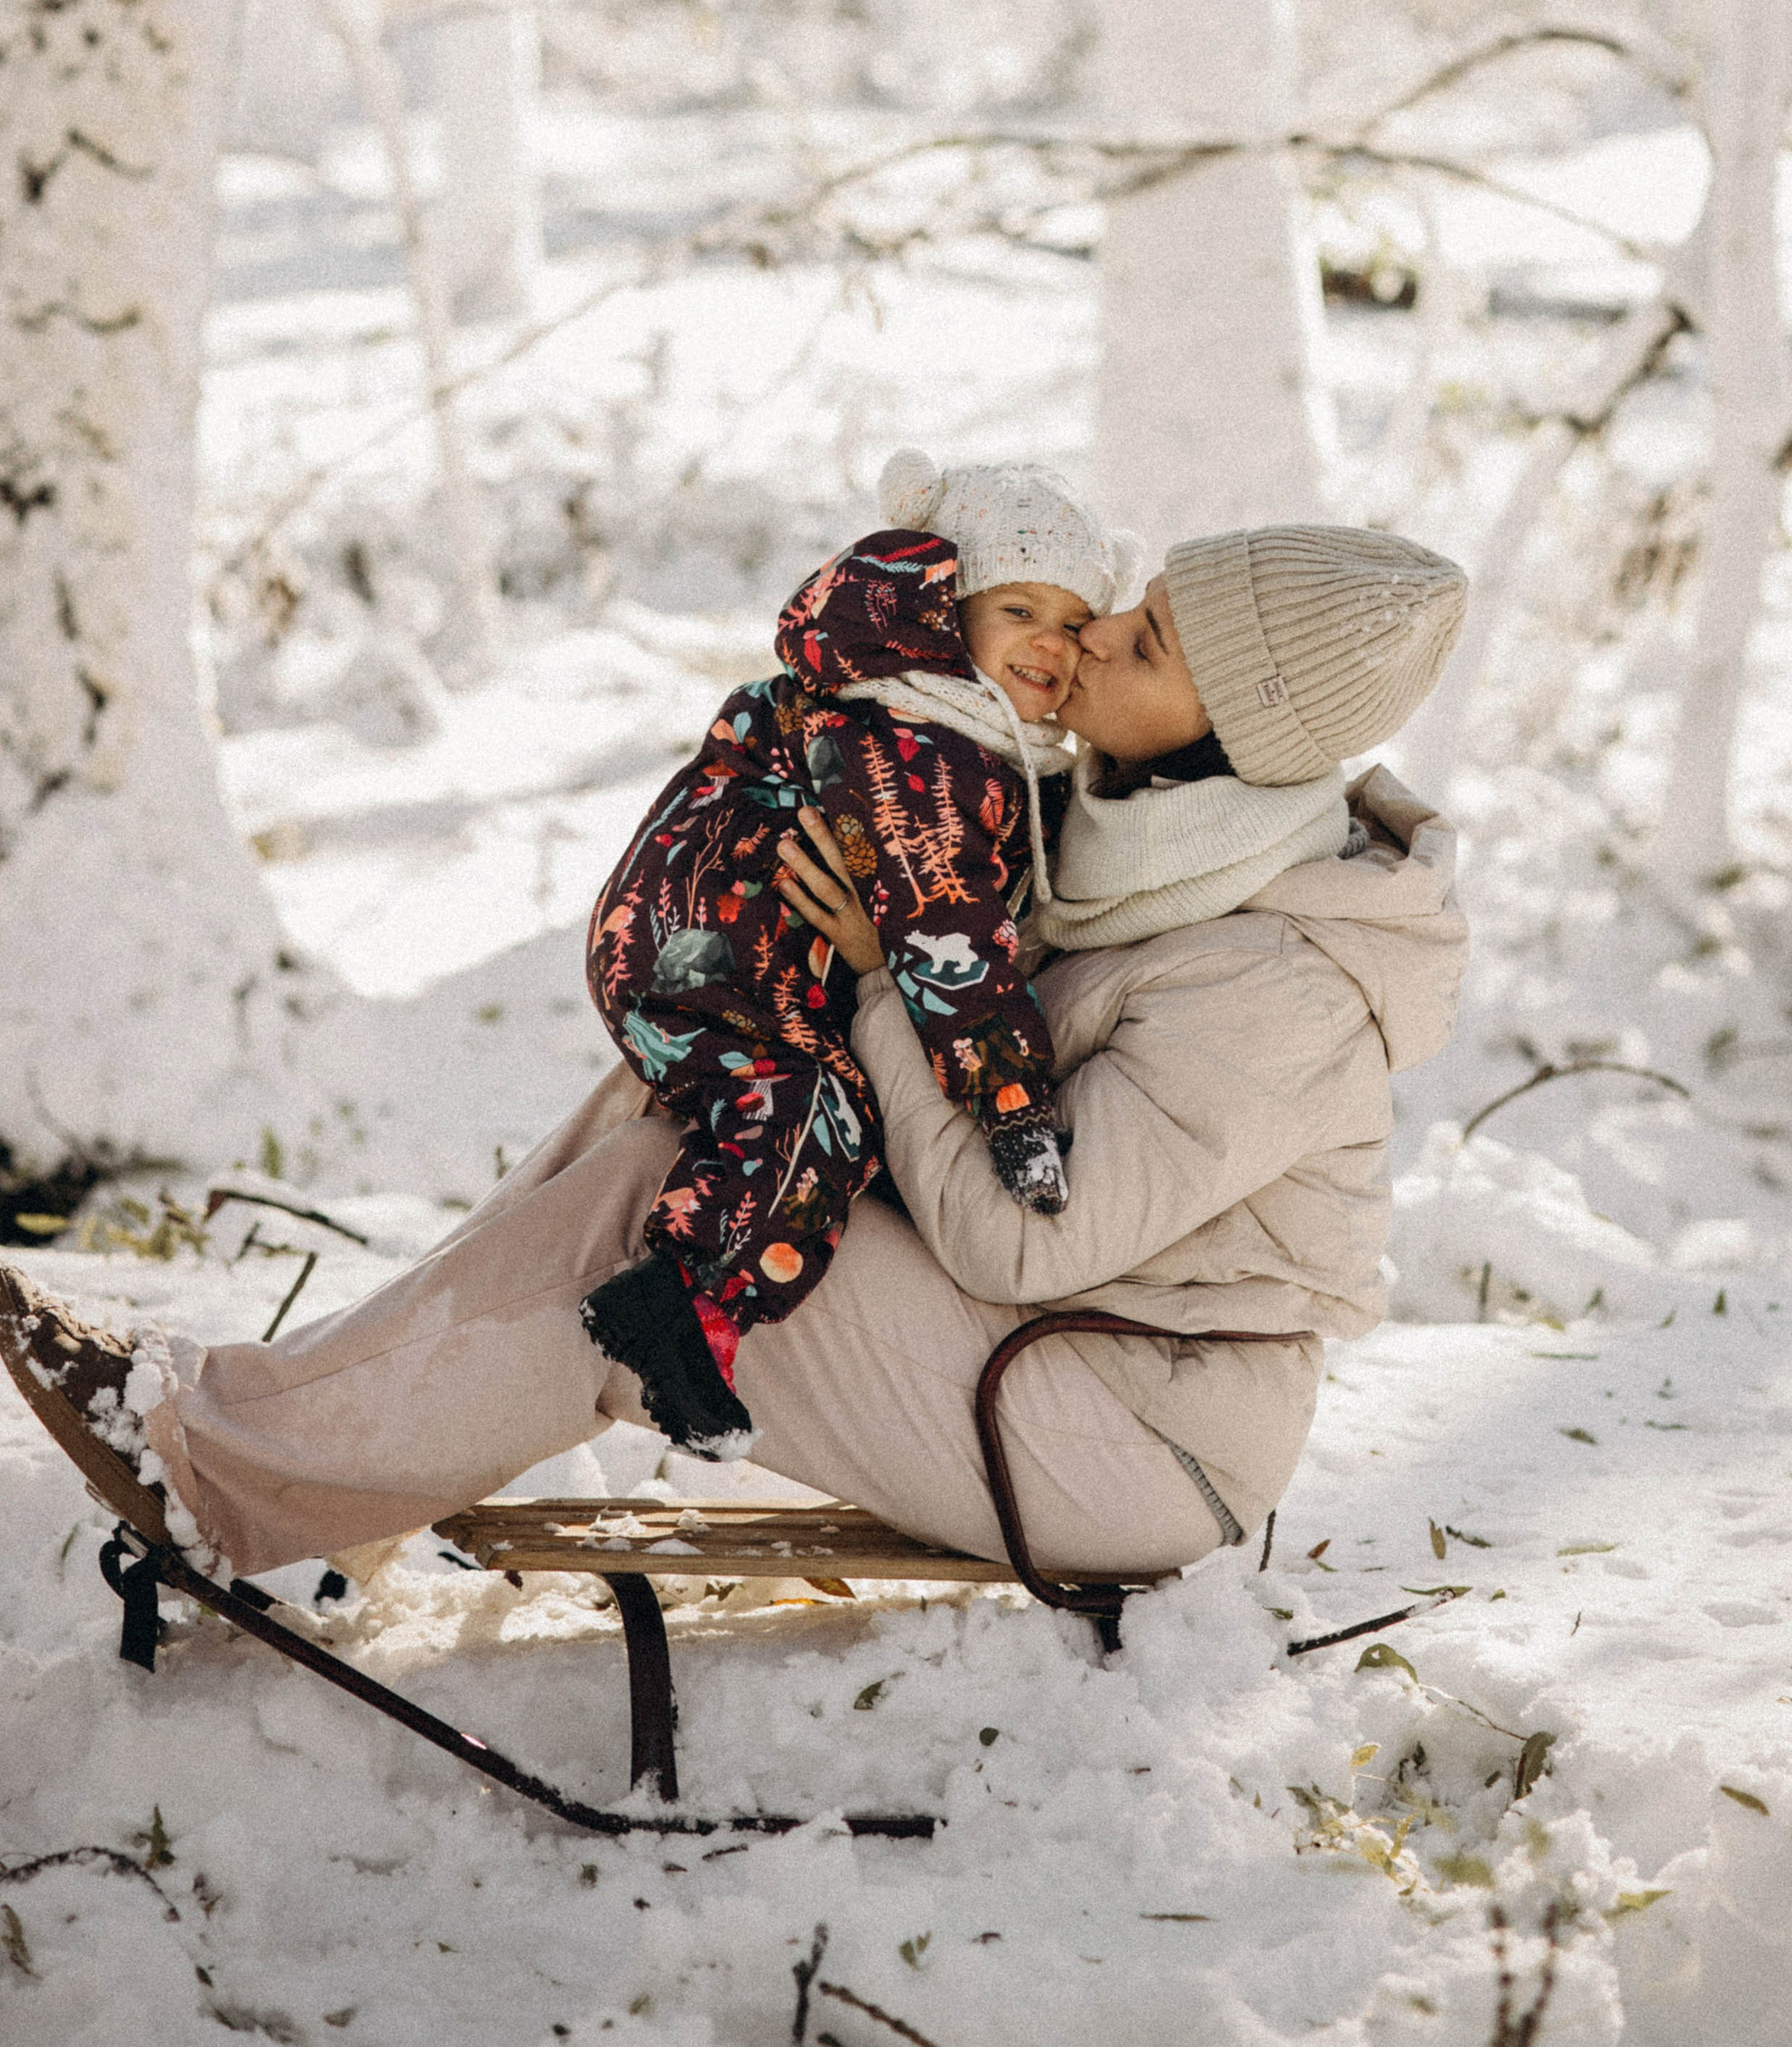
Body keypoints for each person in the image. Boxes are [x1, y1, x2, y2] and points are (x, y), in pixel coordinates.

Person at [2, 519, 1468, 1593]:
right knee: (682, 1106)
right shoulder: (1126, 833)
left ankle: (216, 1469)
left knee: (670, 1216)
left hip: (1131, 1432)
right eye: (1128, 609)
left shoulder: (1281, 981)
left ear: (1244, 741)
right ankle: (305, 1459)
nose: (1089, 637)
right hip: (1042, 1348)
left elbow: (1037, 1238)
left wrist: (897, 991)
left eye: (1142, 644)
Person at [577, 448, 1141, 1460]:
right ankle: (676, 1311)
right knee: (808, 1120)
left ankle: (691, 1311)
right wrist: (1014, 1108)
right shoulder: (921, 746)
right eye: (1019, 612)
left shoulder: (928, 721)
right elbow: (946, 939)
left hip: (710, 950)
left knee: (808, 1118)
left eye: (1070, 623)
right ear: (947, 612)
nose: (1049, 646)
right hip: (710, 957)